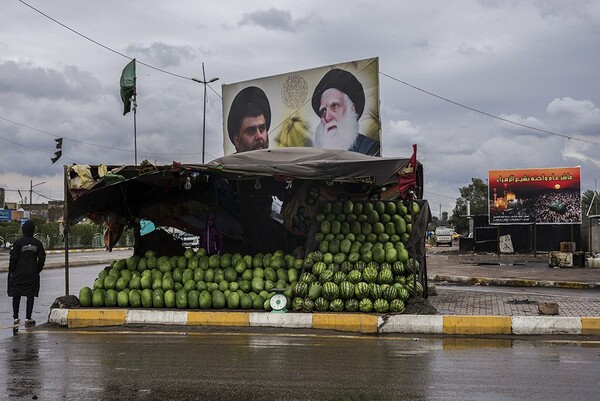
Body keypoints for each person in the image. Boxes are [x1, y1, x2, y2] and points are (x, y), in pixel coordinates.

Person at [312, 69, 380, 156]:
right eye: (323, 111)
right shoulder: (317, 156)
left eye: (334, 106)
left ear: (352, 109)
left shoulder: (371, 150)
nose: (327, 117)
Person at [7, 220, 46, 327]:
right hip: (32, 274)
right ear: (33, 231)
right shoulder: (37, 243)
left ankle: (16, 317)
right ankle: (28, 317)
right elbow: (42, 259)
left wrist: (12, 270)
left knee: (16, 294)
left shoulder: (18, 243)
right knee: (30, 295)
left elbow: (13, 258)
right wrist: (37, 269)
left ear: (23, 230)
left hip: (18, 274)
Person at [227, 86, 271, 153]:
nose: (259, 136)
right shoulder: (226, 163)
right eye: (250, 131)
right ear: (237, 141)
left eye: (262, 129)